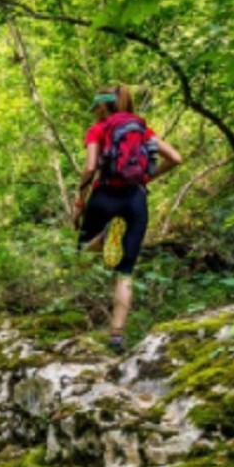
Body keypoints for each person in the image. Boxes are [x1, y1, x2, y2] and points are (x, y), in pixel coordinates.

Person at [73, 84, 183, 354]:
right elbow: (176, 158)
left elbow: (90, 167)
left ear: (102, 106)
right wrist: (146, 178)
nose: (95, 112)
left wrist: (79, 202)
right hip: (135, 200)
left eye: (96, 108)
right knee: (125, 273)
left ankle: (104, 236)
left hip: (103, 197)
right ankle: (117, 336)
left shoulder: (98, 129)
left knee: (83, 255)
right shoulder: (142, 129)